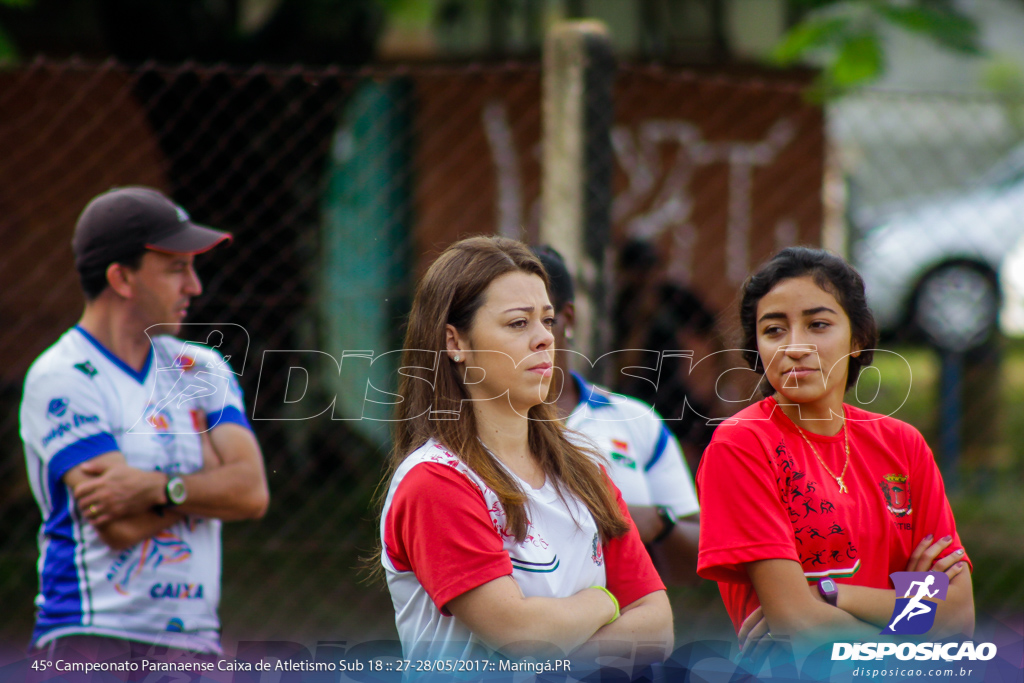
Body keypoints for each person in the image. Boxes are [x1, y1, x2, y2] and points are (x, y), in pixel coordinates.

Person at [378, 236, 673, 664]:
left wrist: (561, 644)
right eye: (518, 323)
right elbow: (521, 636)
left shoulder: (584, 472)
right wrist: (604, 602)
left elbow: (657, 628)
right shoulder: (435, 481)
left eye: (548, 321)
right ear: (455, 343)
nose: (544, 339)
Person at [20, 186, 269, 663]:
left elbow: (252, 491)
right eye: (177, 268)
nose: (194, 286)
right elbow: (120, 523)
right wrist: (212, 481)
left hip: (194, 645)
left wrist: (157, 487)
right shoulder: (61, 376)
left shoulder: (203, 368)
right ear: (122, 278)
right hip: (89, 640)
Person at [696, 246, 974, 656]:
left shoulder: (902, 444)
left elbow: (957, 618)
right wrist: (912, 620)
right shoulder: (742, 443)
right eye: (774, 330)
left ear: (857, 339)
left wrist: (830, 593)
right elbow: (798, 625)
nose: (795, 346)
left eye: (818, 325)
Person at [531, 245, 701, 586]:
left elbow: (700, 553)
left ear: (569, 317)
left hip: (633, 623)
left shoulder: (634, 420)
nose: (533, 336)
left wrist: (658, 522)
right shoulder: (481, 429)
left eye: (544, 318)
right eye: (514, 322)